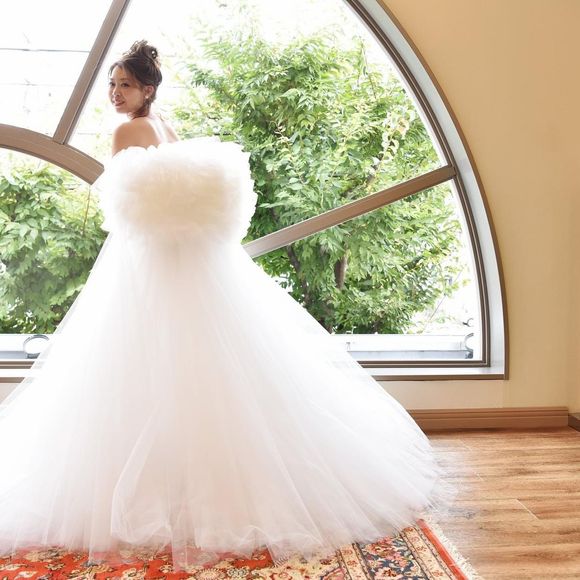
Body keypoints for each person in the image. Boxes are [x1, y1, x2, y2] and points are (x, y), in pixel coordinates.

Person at [0, 40, 450, 571]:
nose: (115, 94)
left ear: (147, 89)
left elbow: (123, 208)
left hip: (149, 262)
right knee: (208, 369)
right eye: (113, 85)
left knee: (139, 369)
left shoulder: (127, 132)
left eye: (125, 85)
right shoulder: (165, 126)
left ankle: (163, 493)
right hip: (186, 260)